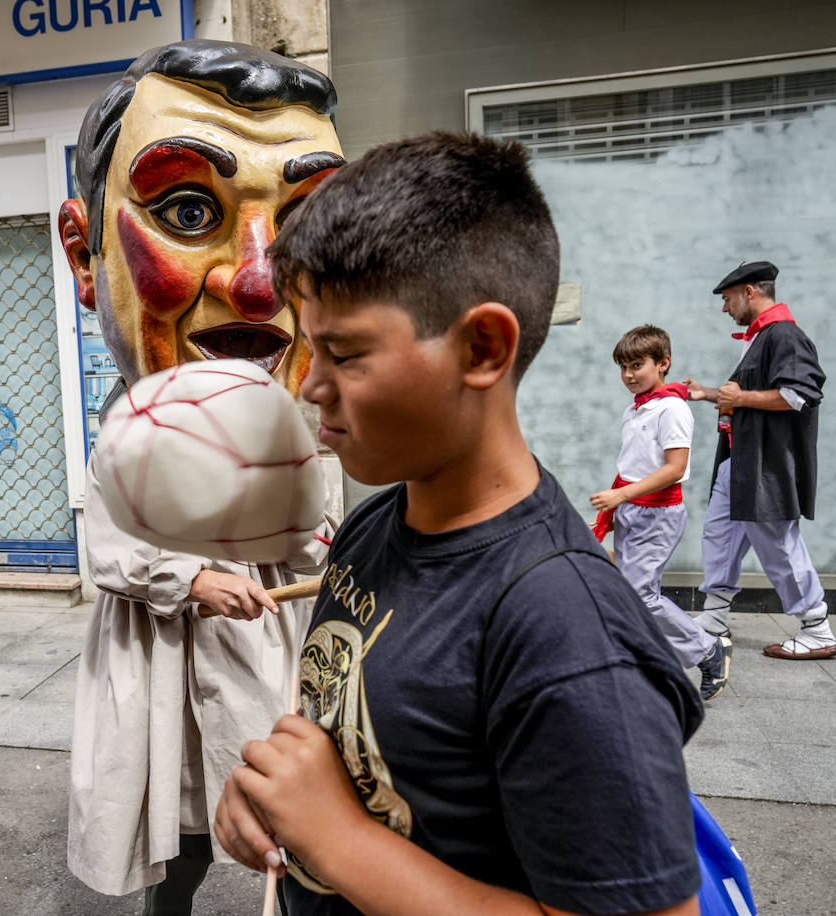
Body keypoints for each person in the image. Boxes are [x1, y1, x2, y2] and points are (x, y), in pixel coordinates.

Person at [214, 133, 703, 915]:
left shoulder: (567, 630)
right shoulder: (374, 527)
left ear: (483, 347)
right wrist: (280, 808)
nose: (309, 386)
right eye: (307, 349)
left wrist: (338, 839)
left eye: (343, 353)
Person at [57, 39, 344, 912]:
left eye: (300, 228)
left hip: (265, 638)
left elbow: (314, 526)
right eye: (187, 210)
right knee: (173, 810)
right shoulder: (132, 425)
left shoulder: (303, 427)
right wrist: (194, 576)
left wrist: (321, 553)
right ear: (84, 254)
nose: (259, 285)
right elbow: (111, 545)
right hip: (162, 647)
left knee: (287, 812)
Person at [682, 262, 834, 659]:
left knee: (778, 543)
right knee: (719, 534)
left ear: (750, 292)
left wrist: (738, 398)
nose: (724, 308)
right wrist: (708, 393)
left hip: (766, 464)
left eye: (727, 298)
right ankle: (715, 616)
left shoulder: (784, 334)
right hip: (742, 460)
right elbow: (746, 395)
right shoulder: (763, 336)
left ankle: (817, 627)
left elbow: (799, 395)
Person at [590, 325, 732, 700]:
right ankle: (639, 663)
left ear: (663, 363)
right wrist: (612, 509)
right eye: (623, 367)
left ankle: (707, 650)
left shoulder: (672, 409)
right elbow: (630, 467)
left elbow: (674, 469)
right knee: (633, 591)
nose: (629, 375)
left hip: (657, 516)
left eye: (638, 364)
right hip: (631, 511)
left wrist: (620, 498)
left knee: (640, 594)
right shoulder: (636, 409)